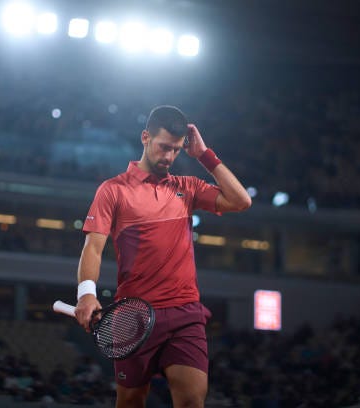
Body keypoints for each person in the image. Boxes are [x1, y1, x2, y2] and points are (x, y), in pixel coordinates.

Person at [74, 105, 251, 408]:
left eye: (176, 150)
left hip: (185, 315)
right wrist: (86, 294)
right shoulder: (113, 190)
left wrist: (205, 155)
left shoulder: (188, 188)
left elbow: (241, 200)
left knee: (192, 401)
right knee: (130, 401)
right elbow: (93, 247)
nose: (169, 157)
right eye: (163, 147)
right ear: (145, 137)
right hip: (133, 315)